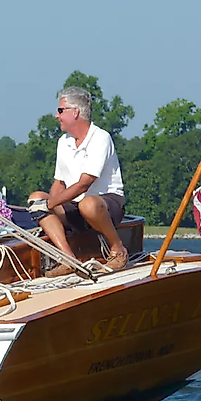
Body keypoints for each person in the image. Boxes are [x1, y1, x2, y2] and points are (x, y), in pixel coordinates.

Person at [27, 86, 128, 277]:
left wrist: (49, 204)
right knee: (35, 198)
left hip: (104, 204)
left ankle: (118, 249)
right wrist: (45, 208)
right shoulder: (63, 142)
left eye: (60, 110)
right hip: (75, 205)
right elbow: (59, 183)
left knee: (87, 203)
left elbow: (84, 184)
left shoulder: (100, 138)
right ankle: (68, 259)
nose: (56, 116)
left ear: (75, 112)